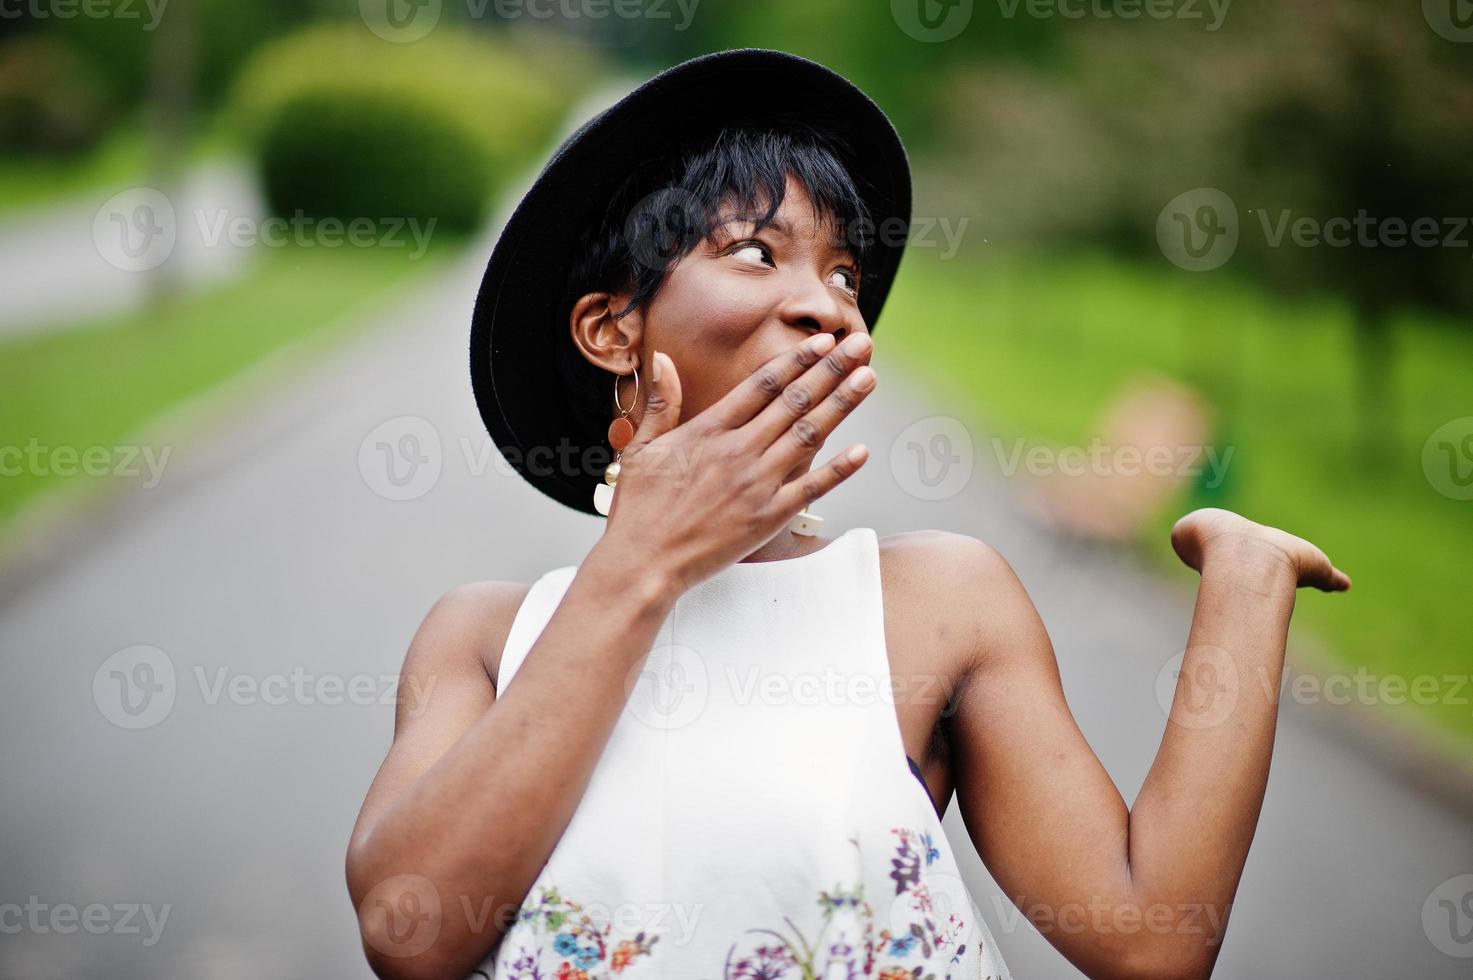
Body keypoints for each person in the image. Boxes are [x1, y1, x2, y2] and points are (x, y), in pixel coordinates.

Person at [345, 50, 1351, 980]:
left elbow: (1150, 939)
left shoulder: (939, 603)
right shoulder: (481, 638)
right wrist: (641, 561)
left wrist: (1245, 580)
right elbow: (411, 929)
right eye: (754, 251)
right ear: (613, 328)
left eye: (844, 275)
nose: (828, 305)